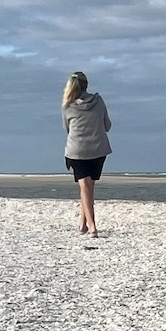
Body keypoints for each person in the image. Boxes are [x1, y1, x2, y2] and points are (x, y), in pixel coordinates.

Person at [62, 71, 112, 237]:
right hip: (98, 148)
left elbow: (67, 129)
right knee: (88, 186)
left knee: (85, 186)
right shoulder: (98, 101)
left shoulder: (67, 105)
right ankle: (84, 224)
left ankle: (91, 226)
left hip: (77, 149)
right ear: (87, 85)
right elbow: (107, 125)